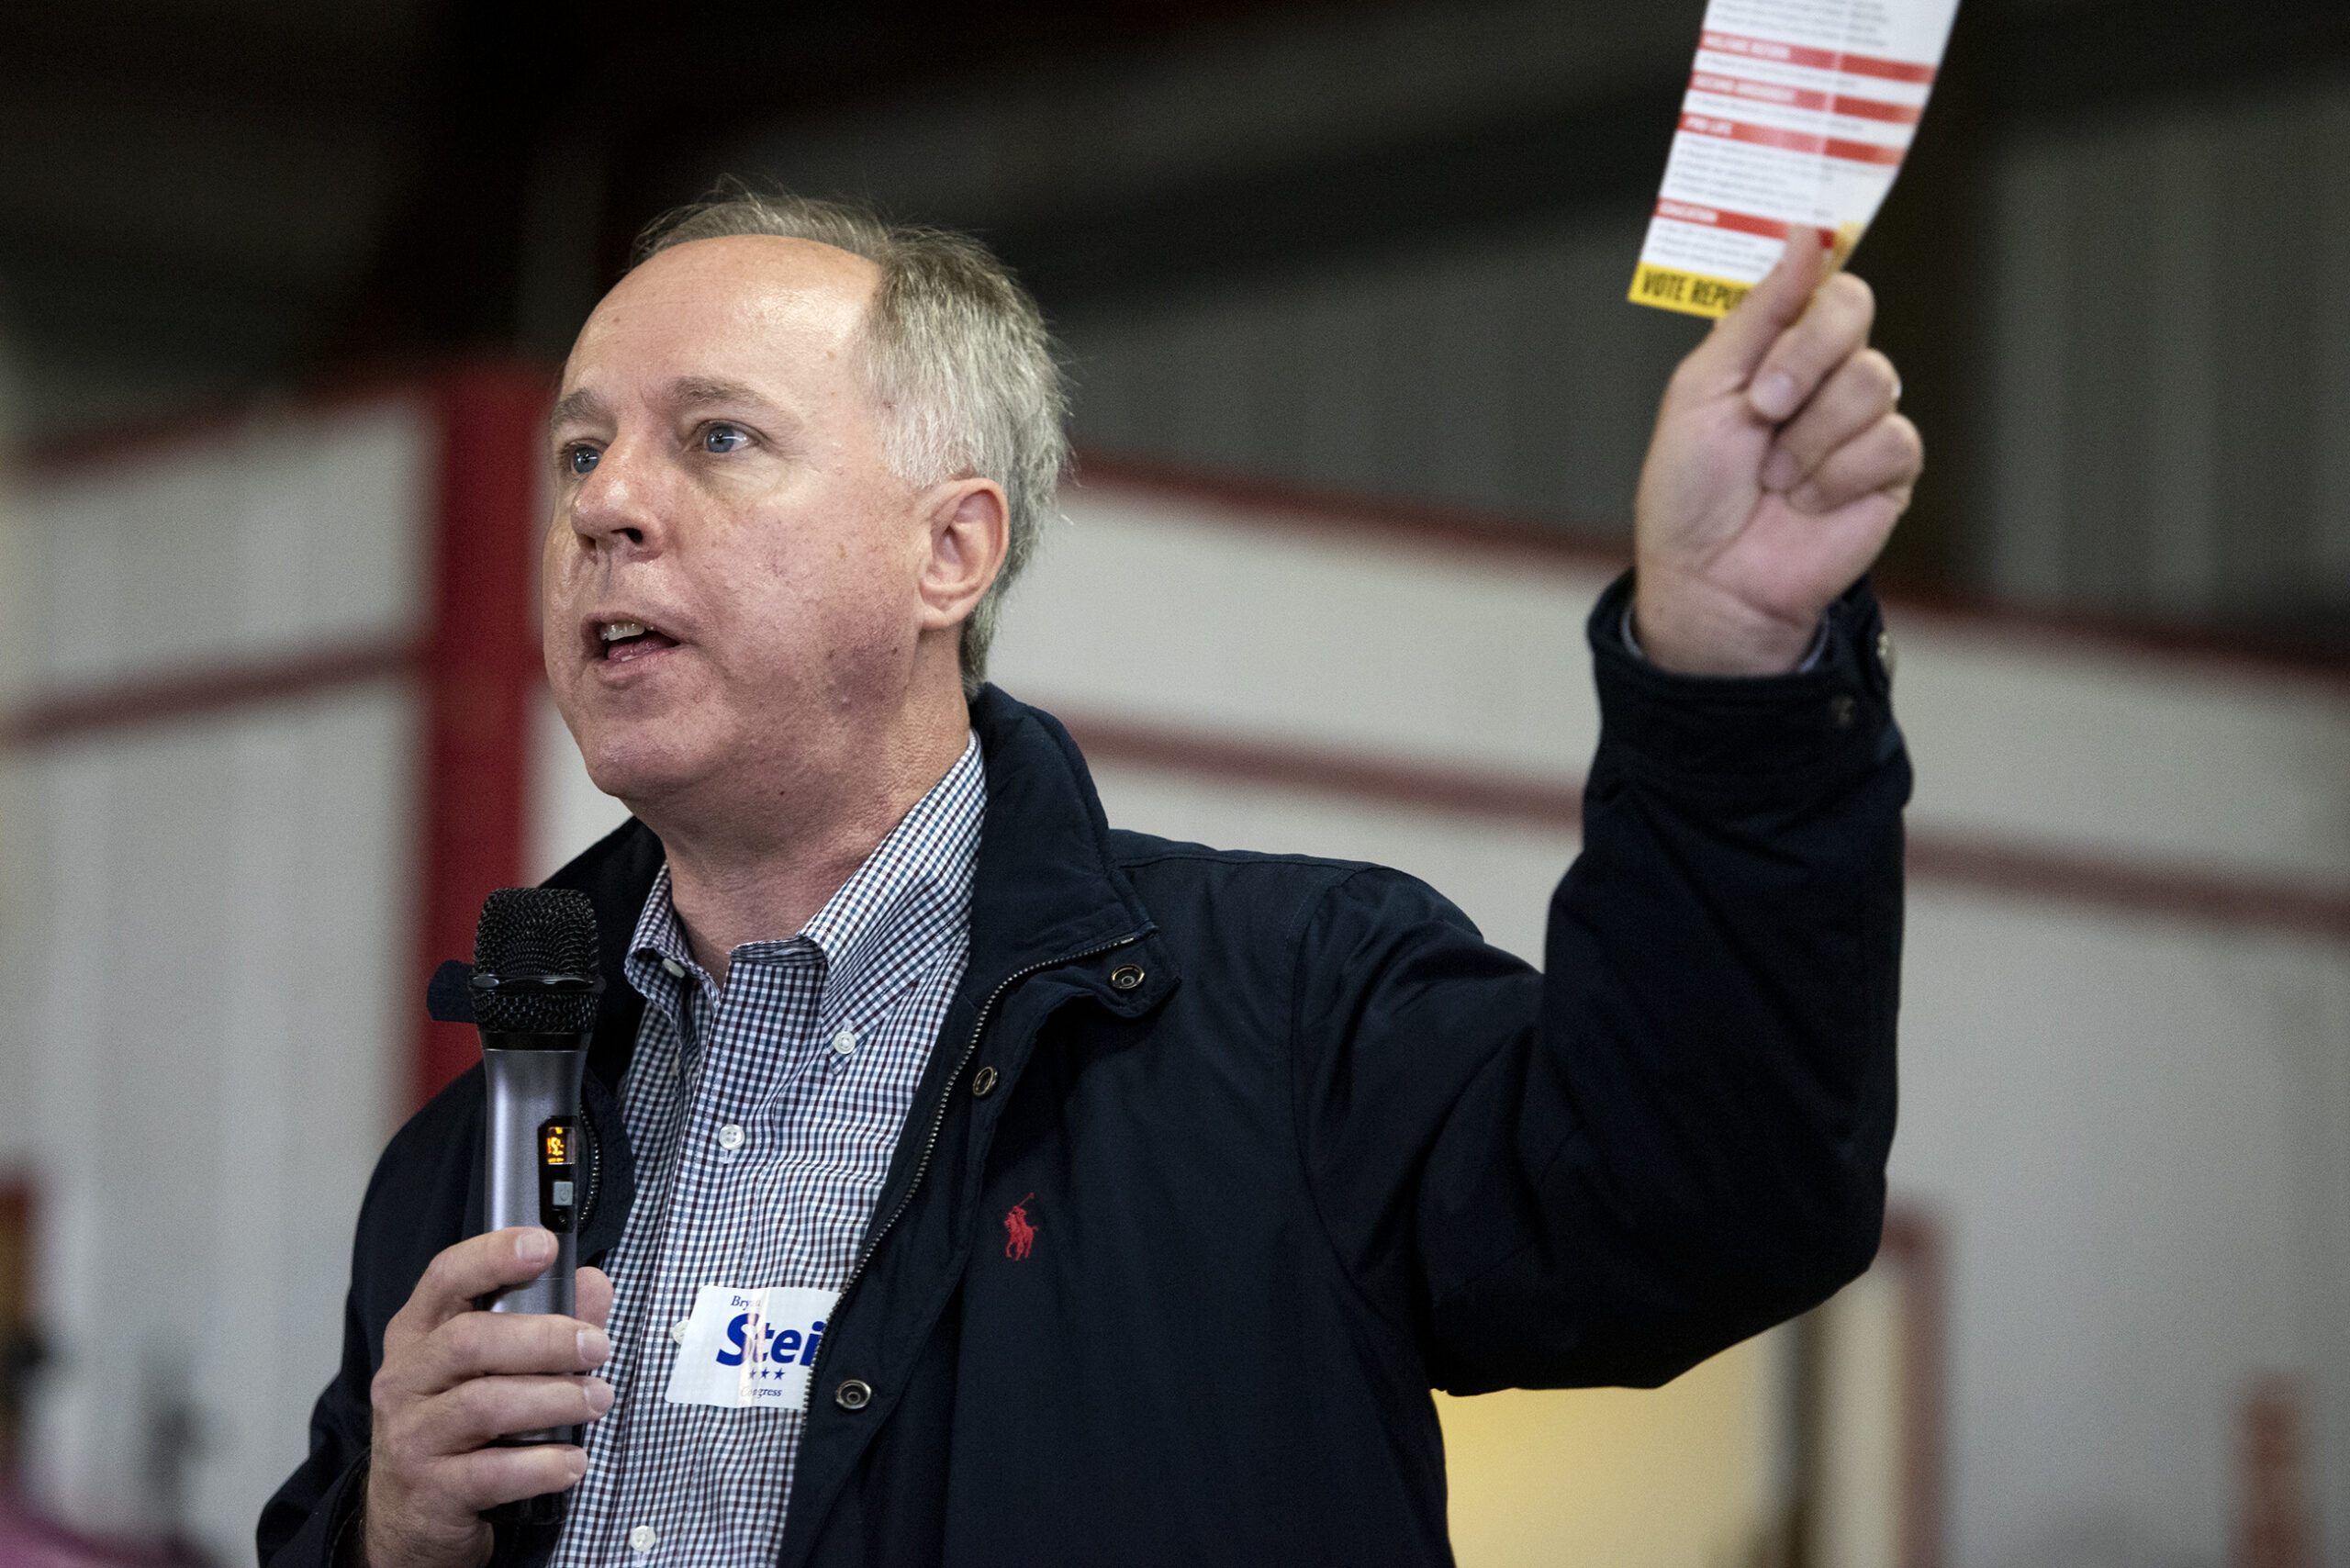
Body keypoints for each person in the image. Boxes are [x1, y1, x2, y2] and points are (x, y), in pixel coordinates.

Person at [260, 191, 1916, 1568]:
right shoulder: (469, 1166)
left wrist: (1733, 683)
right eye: (577, 455)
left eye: (716, 438)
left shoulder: (1288, 1017)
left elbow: (1701, 1205)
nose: (608, 507)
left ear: (950, 551)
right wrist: (381, 1533)